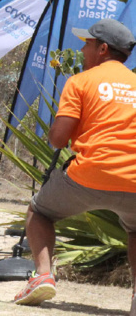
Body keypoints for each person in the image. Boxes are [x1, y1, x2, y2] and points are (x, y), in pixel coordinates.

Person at [11, 19, 136, 313]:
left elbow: (57, 139)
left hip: (89, 175)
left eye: (87, 44)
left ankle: (43, 276)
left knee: (39, 211)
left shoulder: (80, 81)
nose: (82, 49)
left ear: (103, 49)